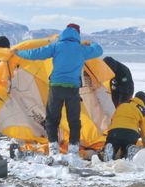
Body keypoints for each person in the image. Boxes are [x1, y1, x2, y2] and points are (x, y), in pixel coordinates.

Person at [14, 23, 103, 157]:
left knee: (52, 119)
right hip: (73, 89)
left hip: (56, 88)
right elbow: (99, 50)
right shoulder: (81, 49)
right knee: (74, 120)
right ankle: (73, 149)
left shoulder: (56, 46)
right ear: (77, 34)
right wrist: (92, 43)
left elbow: (36, 53)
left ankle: (53, 147)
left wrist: (18, 53)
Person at [104, 91, 145, 159]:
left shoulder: (122, 105)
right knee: (127, 148)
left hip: (114, 131)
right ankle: (129, 151)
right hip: (130, 133)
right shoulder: (141, 110)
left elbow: (112, 120)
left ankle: (111, 149)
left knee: (113, 144)